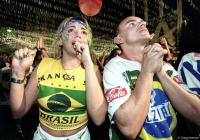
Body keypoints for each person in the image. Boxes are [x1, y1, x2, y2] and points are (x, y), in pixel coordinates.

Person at [103, 16, 200, 140]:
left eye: (143, 22)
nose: (143, 23)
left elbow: (196, 114)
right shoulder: (113, 67)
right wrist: (147, 71)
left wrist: (160, 71)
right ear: (118, 39)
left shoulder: (165, 66)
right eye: (131, 23)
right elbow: (129, 129)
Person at [10, 16, 107, 140]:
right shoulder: (44, 65)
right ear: (61, 40)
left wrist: (87, 63)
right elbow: (18, 112)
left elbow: (99, 119)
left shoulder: (93, 70)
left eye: (83, 31)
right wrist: (18, 73)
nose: (78, 34)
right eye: (71, 29)